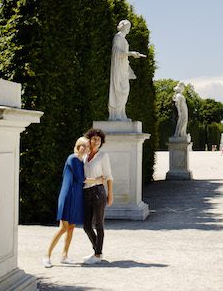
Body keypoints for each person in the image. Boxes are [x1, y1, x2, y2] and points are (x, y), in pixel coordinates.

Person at [43, 137, 104, 268]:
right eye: (83, 146)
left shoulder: (81, 162)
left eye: (87, 146)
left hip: (76, 197)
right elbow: (81, 178)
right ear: (78, 146)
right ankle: (46, 256)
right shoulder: (72, 159)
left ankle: (64, 256)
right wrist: (97, 180)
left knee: (71, 227)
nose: (86, 148)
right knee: (63, 228)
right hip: (67, 196)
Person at [82, 128, 114, 264]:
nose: (96, 141)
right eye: (94, 139)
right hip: (86, 193)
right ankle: (97, 250)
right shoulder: (84, 156)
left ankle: (98, 254)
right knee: (86, 226)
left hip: (98, 192)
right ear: (89, 140)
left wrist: (110, 194)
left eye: (99, 140)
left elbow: (108, 176)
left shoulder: (103, 156)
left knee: (98, 224)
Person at [108, 20, 146, 120]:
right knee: (120, 91)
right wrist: (131, 53)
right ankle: (116, 115)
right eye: (128, 26)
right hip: (118, 68)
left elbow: (124, 56)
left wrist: (129, 69)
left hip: (123, 68)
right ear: (124, 27)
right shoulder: (118, 37)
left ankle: (121, 114)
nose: (128, 29)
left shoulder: (124, 40)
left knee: (125, 91)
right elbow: (117, 54)